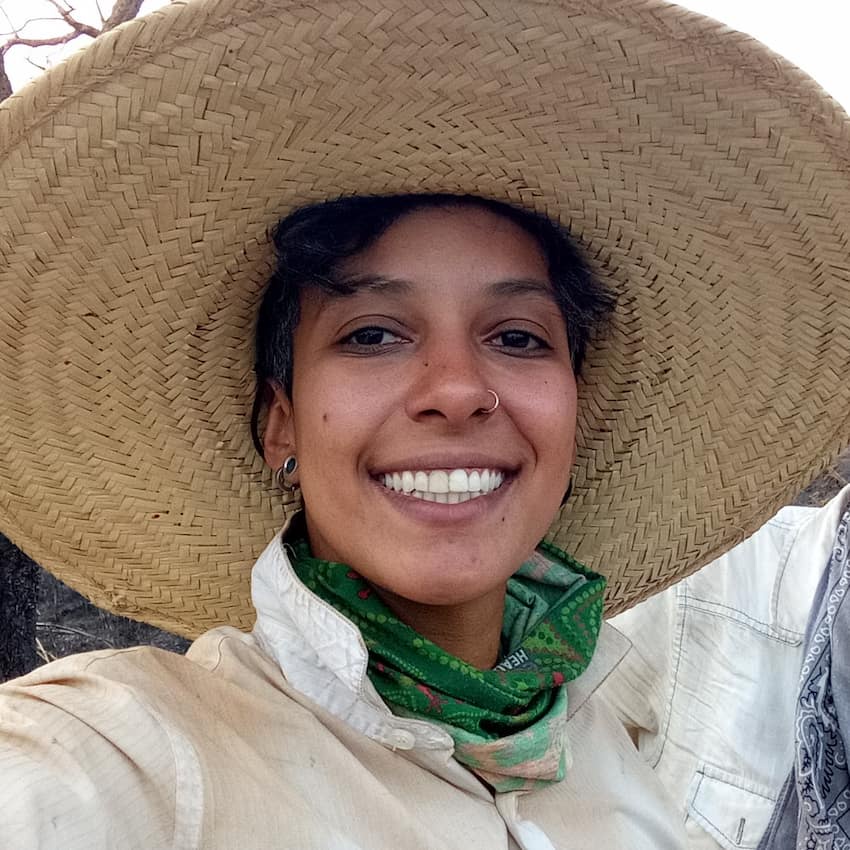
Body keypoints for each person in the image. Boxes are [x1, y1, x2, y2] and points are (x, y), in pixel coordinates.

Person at [0, 0, 848, 847]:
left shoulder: (613, 762)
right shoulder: (141, 754)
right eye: (372, 335)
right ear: (280, 422)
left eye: (517, 338)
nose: (457, 390)